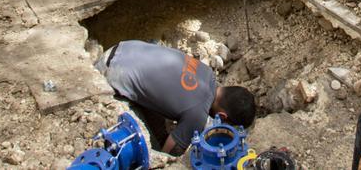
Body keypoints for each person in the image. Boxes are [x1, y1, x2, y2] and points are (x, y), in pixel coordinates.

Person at [96, 40, 256, 156]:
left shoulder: (206, 72)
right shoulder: (197, 115)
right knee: (174, 148)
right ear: (222, 116)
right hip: (110, 75)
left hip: (123, 48)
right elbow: (170, 151)